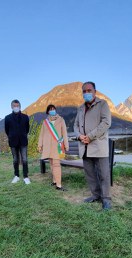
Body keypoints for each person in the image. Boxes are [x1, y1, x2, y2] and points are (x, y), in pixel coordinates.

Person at [74, 81, 112, 210]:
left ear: (95, 91)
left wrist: (89, 136)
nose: (86, 93)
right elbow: (75, 126)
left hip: (98, 146)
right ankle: (96, 195)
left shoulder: (103, 104)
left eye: (89, 90)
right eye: (84, 91)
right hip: (84, 147)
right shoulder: (80, 108)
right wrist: (79, 136)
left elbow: (106, 122)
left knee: (104, 174)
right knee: (90, 174)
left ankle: (106, 199)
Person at [38, 104, 69, 191]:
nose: (52, 110)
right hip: (48, 146)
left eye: (53, 109)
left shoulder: (61, 120)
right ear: (48, 112)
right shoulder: (45, 122)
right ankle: (54, 180)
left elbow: (64, 133)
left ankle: (59, 185)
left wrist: (66, 145)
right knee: (51, 164)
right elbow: (41, 134)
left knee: (56, 164)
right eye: (50, 109)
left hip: (57, 146)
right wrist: (40, 145)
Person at [4, 99, 31, 184]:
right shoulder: (7, 118)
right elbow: (7, 130)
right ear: (11, 107)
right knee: (15, 159)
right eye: (14, 106)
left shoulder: (25, 117)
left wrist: (22, 135)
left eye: (17, 105)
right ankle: (16, 176)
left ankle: (26, 177)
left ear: (20, 106)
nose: (16, 107)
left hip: (23, 141)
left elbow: (27, 129)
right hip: (13, 142)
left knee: (25, 159)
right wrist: (12, 136)